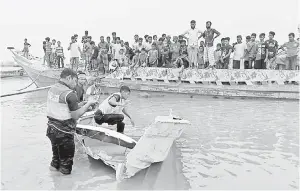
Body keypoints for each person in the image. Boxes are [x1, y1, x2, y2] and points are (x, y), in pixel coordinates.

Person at [46, 68, 97, 175]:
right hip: (64, 134)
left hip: (51, 130)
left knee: (55, 161)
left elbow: (64, 107)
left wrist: (81, 104)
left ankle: (53, 180)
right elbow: (76, 115)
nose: (75, 83)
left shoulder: (53, 88)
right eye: (75, 80)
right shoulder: (70, 93)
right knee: (66, 165)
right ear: (69, 78)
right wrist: (88, 104)